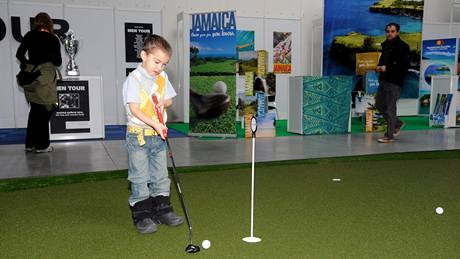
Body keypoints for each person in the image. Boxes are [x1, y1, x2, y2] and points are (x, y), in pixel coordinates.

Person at [122, 34, 183, 234]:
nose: (160, 67)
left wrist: (161, 102)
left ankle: (162, 210)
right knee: (140, 176)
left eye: (164, 64)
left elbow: (169, 100)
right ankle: (142, 216)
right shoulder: (134, 78)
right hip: (138, 135)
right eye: (156, 62)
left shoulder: (162, 77)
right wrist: (155, 123)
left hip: (158, 136)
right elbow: (134, 109)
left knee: (160, 175)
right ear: (143, 55)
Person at [16, 12, 62, 153]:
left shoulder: (29, 36)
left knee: (35, 110)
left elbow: (19, 55)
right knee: (45, 110)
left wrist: (27, 64)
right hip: (45, 78)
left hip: (31, 78)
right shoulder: (53, 39)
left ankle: (30, 144)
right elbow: (58, 62)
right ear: (49, 23)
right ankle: (42, 146)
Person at [375, 22, 410, 143]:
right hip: (384, 80)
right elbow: (383, 61)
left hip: (395, 81)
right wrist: (378, 67)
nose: (389, 33)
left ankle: (389, 135)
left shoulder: (403, 46)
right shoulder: (385, 45)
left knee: (390, 108)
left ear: (398, 32)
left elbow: (404, 65)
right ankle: (397, 123)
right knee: (379, 105)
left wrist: (386, 68)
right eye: (388, 31)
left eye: (392, 31)